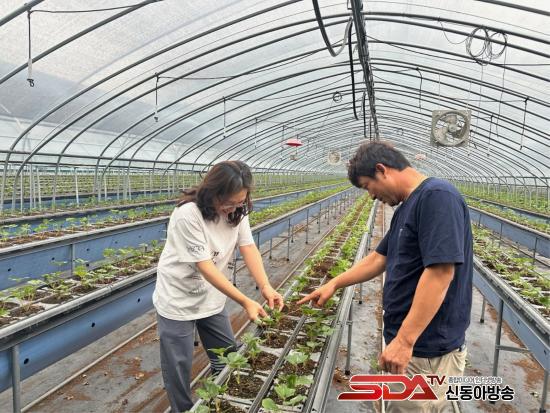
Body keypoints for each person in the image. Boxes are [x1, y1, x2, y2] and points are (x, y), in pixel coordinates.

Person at [298, 142, 473, 412]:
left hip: (426, 350)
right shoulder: (407, 206)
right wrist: (334, 283)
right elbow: (380, 258)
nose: (370, 196)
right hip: (411, 347)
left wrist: (404, 341)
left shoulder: (437, 197)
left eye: (368, 186)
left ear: (382, 170)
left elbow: (440, 272)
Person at [153, 160, 284, 412]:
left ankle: (220, 403)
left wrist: (265, 286)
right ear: (213, 192)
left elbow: (248, 246)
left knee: (226, 355)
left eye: (239, 202)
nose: (233, 208)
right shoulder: (188, 214)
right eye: (228, 202)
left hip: (211, 294)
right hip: (178, 296)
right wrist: (245, 301)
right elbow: (205, 266)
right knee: (178, 365)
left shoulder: (237, 212)